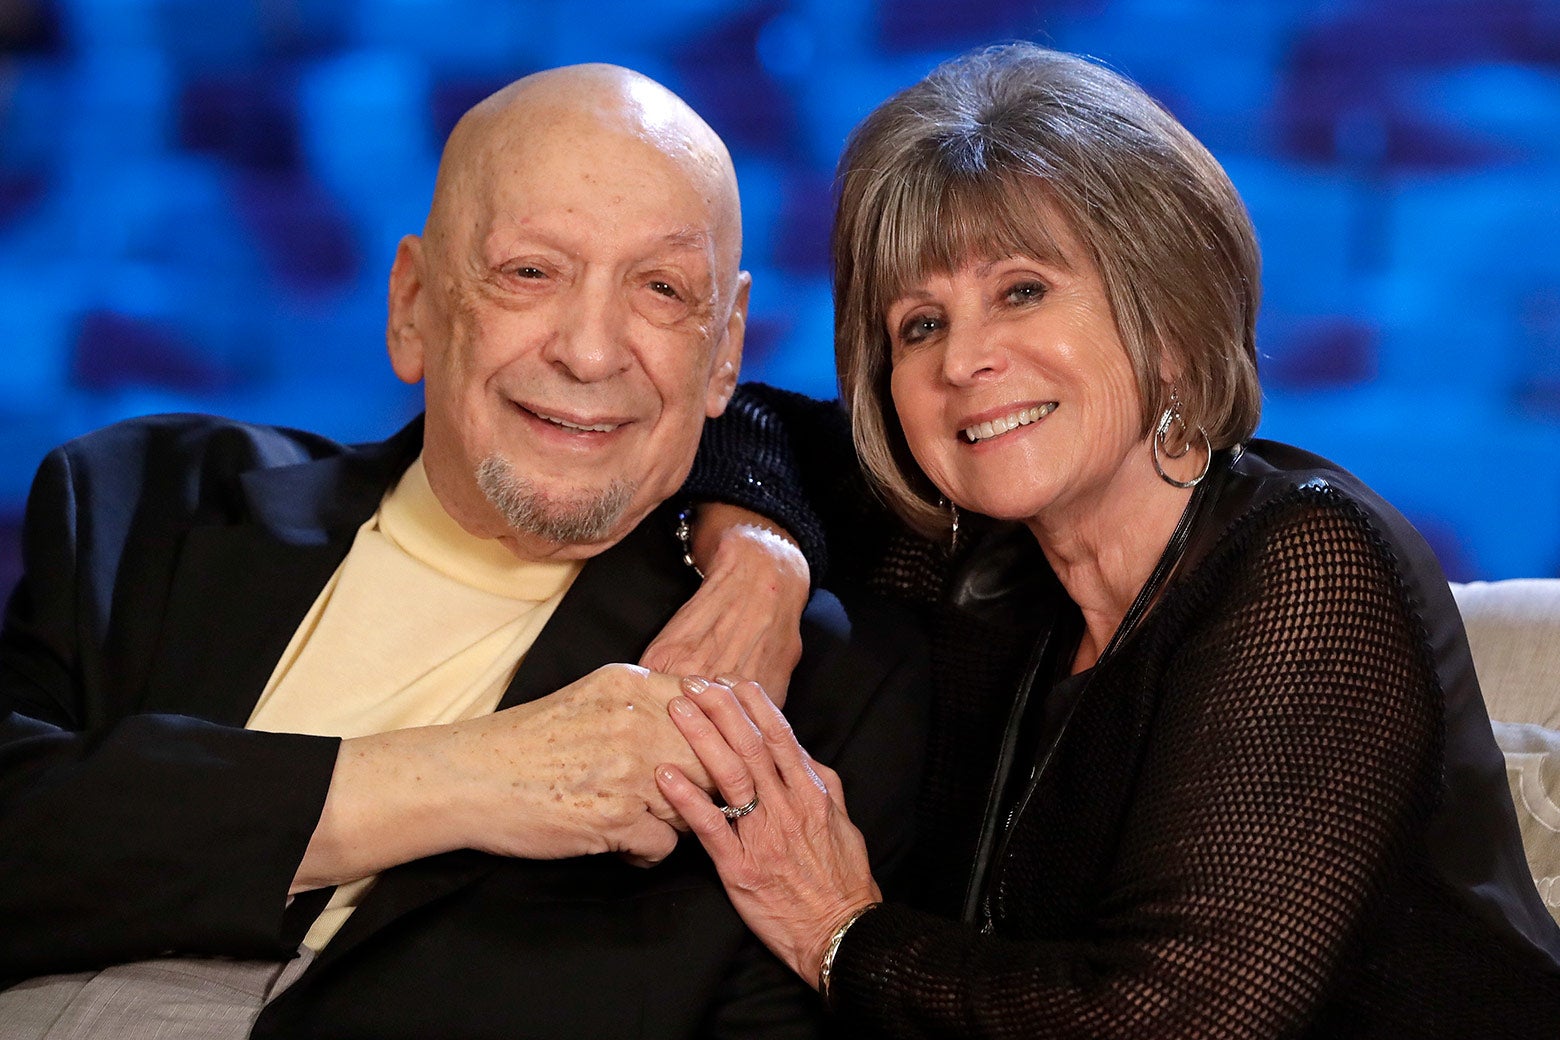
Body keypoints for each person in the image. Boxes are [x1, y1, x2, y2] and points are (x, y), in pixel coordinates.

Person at [0, 64, 926, 1039]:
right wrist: (481, 775)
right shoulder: (142, 500)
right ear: (412, 306)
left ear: (727, 353)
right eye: (531, 271)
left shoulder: (822, 685)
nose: (590, 349)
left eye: (660, 289)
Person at [657, 43, 1560, 1037]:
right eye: (919, 324)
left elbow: (1176, 1019)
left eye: (1022, 291)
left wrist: (839, 930)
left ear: (1165, 316)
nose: (964, 359)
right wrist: (761, 555)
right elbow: (741, 423)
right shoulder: (982, 560)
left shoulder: (1308, 563)